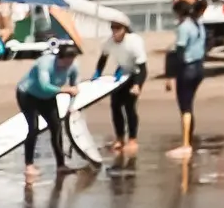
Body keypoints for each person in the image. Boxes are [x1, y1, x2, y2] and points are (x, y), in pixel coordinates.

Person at [17, 40, 85, 181]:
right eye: (66, 62)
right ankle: (29, 165)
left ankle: (61, 165)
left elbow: (75, 88)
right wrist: (65, 90)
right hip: (27, 94)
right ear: (59, 58)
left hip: (48, 98)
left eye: (71, 62)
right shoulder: (45, 63)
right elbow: (44, 85)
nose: (68, 65)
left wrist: (71, 106)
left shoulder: (73, 66)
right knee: (33, 128)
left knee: (56, 128)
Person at [96, 17, 146, 156]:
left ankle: (132, 139)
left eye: (118, 28)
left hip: (135, 73)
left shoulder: (134, 42)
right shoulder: (109, 42)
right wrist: (97, 73)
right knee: (115, 106)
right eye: (113, 28)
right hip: (121, 73)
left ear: (124, 29)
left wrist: (137, 85)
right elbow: (103, 58)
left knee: (129, 107)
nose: (115, 31)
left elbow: (142, 68)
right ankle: (119, 138)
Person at [168, 0, 208, 160]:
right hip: (199, 68)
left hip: (187, 69)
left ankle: (186, 145)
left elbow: (180, 51)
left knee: (185, 107)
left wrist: (171, 75)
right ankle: (188, 141)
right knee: (189, 106)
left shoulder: (184, 27)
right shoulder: (199, 24)